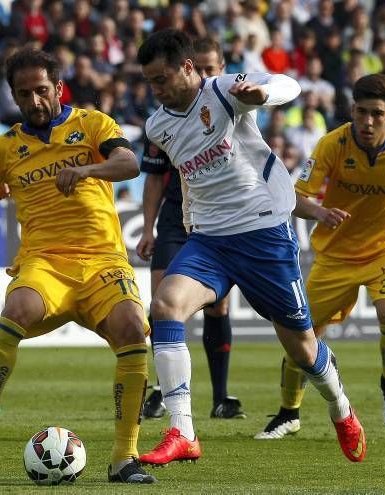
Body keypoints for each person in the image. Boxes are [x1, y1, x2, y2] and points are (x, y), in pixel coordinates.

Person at [0, 48, 157, 484]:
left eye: (42, 91)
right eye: (24, 94)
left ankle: (124, 458)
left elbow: (130, 163)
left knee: (132, 328)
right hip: (44, 262)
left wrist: (87, 172)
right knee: (18, 310)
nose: (35, 101)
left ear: (58, 88)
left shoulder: (91, 124)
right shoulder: (3, 149)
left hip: (103, 260)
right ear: (13, 96)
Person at [136, 29, 366, 466]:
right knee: (165, 307)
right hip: (209, 241)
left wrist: (261, 93)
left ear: (188, 68)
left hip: (263, 235)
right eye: (150, 82)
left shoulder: (224, 91)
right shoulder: (157, 125)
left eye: (162, 78)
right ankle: (183, 431)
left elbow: (288, 84)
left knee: (302, 347)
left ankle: (340, 407)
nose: (157, 90)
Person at [256, 73, 385, 440]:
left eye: (377, 113)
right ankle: (288, 413)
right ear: (352, 110)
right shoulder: (332, 145)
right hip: (336, 255)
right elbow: (294, 198)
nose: (368, 121)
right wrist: (319, 212)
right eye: (361, 112)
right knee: (301, 333)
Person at [137, 36, 245, 421]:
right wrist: (147, 228)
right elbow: (152, 178)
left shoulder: (232, 102)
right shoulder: (164, 122)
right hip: (175, 220)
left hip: (222, 220)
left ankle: (221, 395)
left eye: (211, 68)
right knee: (163, 304)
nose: (205, 74)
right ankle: (160, 392)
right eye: (199, 66)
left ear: (219, 68)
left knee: (218, 306)